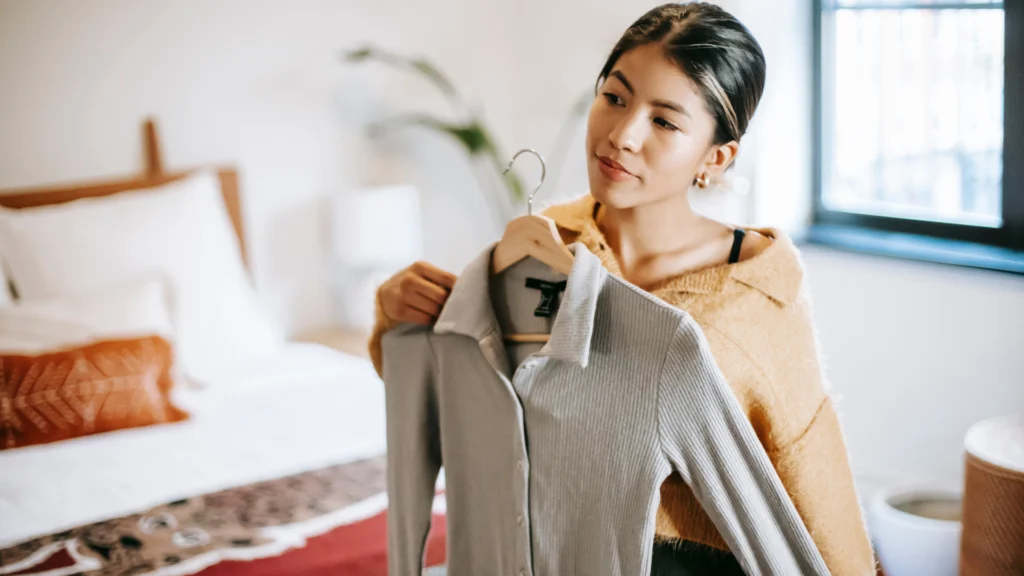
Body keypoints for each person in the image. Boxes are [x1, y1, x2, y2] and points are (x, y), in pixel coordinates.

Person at [368, 3, 876, 574]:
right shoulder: (548, 245)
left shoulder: (754, 299)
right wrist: (396, 319)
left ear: (716, 157)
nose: (621, 135)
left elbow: (810, 477)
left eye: (664, 121)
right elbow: (473, 390)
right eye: (615, 97)